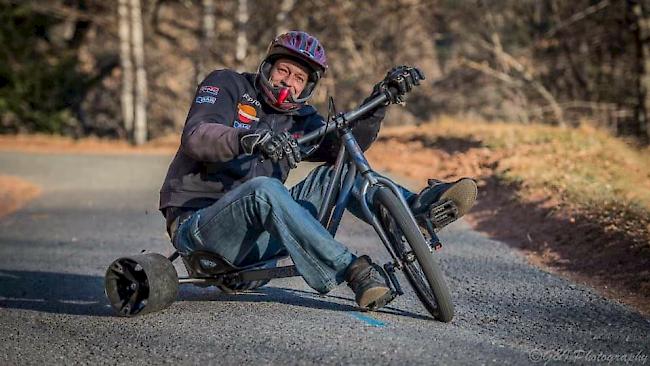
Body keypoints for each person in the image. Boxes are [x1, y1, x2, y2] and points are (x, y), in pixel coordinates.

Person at [159, 31, 477, 310]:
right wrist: (249, 139)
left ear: (308, 86)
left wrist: (380, 101)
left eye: (299, 78)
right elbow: (197, 136)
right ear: (268, 68)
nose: (288, 82)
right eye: (283, 71)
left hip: (258, 245)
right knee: (265, 189)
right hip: (201, 229)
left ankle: (415, 212)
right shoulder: (227, 83)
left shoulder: (301, 119)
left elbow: (344, 146)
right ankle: (353, 271)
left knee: (341, 170)